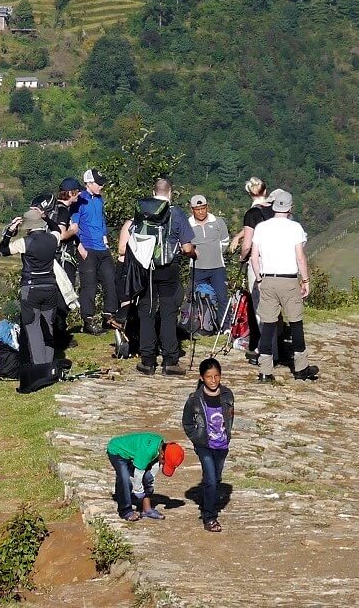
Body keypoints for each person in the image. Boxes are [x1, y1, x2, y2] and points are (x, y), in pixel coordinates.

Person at [117, 179, 195, 376]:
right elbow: (186, 248)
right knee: (168, 312)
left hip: (144, 267)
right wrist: (193, 253)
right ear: (170, 193)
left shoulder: (142, 211)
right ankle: (170, 361)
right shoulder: (176, 213)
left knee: (146, 311)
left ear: (153, 192)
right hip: (168, 268)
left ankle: (147, 361)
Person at [246, 189, 319, 382]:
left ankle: (265, 371)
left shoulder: (262, 227)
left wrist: (260, 279)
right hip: (288, 280)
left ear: (274, 206)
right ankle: (301, 368)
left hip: (268, 279)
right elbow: (300, 257)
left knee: (268, 326)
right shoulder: (295, 228)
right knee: (295, 324)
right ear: (290, 208)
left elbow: (254, 257)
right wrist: (305, 280)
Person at [0, 208, 66, 393]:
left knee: (33, 328)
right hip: (51, 288)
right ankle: (50, 366)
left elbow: (2, 250)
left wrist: (10, 230)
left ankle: (40, 370)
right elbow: (58, 230)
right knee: (48, 327)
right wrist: (46, 217)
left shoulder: (24, 242)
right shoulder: (53, 238)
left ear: (27, 227)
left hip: (31, 289)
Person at [180, 357, 234, 532]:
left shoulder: (227, 395)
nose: (213, 380)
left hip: (222, 445)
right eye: (209, 376)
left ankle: (206, 497)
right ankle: (209, 517)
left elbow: (230, 417)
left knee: (216, 478)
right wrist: (196, 438)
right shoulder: (195, 399)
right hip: (204, 444)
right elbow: (187, 422)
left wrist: (227, 435)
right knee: (210, 479)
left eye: (217, 376)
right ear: (202, 377)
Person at [105, 431, 185, 522]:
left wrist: (149, 482)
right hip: (117, 450)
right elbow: (138, 474)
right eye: (165, 463)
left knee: (147, 478)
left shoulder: (161, 448)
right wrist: (138, 490)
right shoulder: (148, 451)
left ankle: (147, 510)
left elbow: (150, 473)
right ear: (162, 455)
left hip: (135, 454)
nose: (163, 465)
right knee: (125, 479)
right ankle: (125, 510)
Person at [235, 178, 273, 364]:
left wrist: (242, 256)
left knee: (259, 307)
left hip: (258, 263)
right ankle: (275, 346)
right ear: (265, 191)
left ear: (249, 193)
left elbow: (247, 244)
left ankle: (263, 349)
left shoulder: (252, 214)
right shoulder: (276, 210)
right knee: (275, 307)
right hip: (278, 263)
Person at [74, 170, 116, 334]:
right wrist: (80, 248)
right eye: (98, 183)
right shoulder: (80, 200)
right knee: (89, 286)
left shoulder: (99, 200)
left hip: (102, 247)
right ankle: (88, 321)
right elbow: (74, 226)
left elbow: (102, 220)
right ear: (89, 183)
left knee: (111, 281)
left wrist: (105, 239)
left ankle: (108, 316)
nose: (101, 186)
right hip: (87, 248)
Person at [186, 194, 231, 327]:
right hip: (197, 267)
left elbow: (225, 241)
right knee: (195, 297)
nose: (201, 211)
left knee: (222, 298)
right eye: (197, 209)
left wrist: (216, 253)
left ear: (207, 207)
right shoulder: (188, 224)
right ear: (192, 209)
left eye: (203, 208)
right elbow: (184, 244)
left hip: (217, 268)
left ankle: (225, 326)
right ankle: (197, 325)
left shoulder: (218, 221)